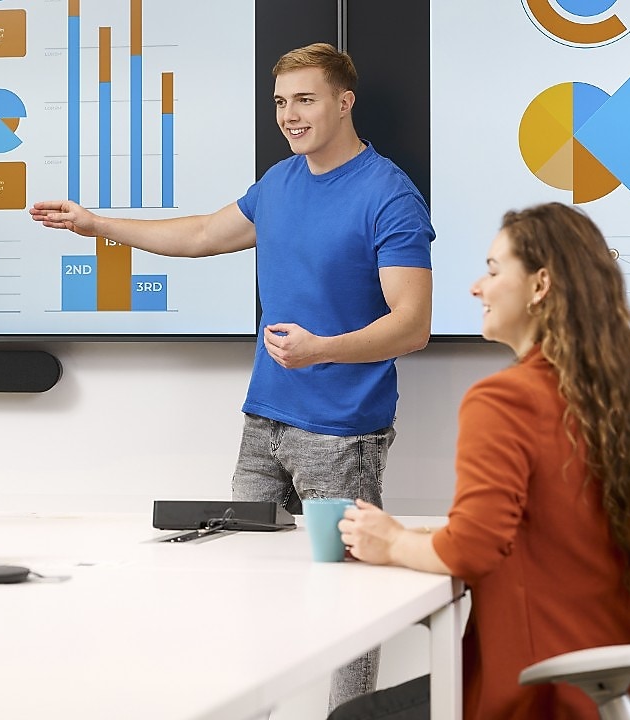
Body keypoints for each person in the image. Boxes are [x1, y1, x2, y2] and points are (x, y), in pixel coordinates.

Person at [31, 42, 434, 708]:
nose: (290, 115)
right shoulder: (279, 183)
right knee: (244, 588)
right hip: (264, 422)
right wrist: (94, 224)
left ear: (344, 102)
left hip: (341, 436)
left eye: (304, 99)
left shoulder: (388, 194)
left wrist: (322, 350)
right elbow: (199, 236)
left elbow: (413, 325)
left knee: (349, 598)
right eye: (280, 102)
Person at [333, 203, 630, 719]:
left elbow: (471, 552)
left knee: (352, 717)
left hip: (552, 689)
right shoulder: (613, 396)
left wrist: (392, 543)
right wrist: (417, 535)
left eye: (494, 271)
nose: (477, 287)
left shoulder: (504, 398)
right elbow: (550, 533)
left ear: (540, 285)